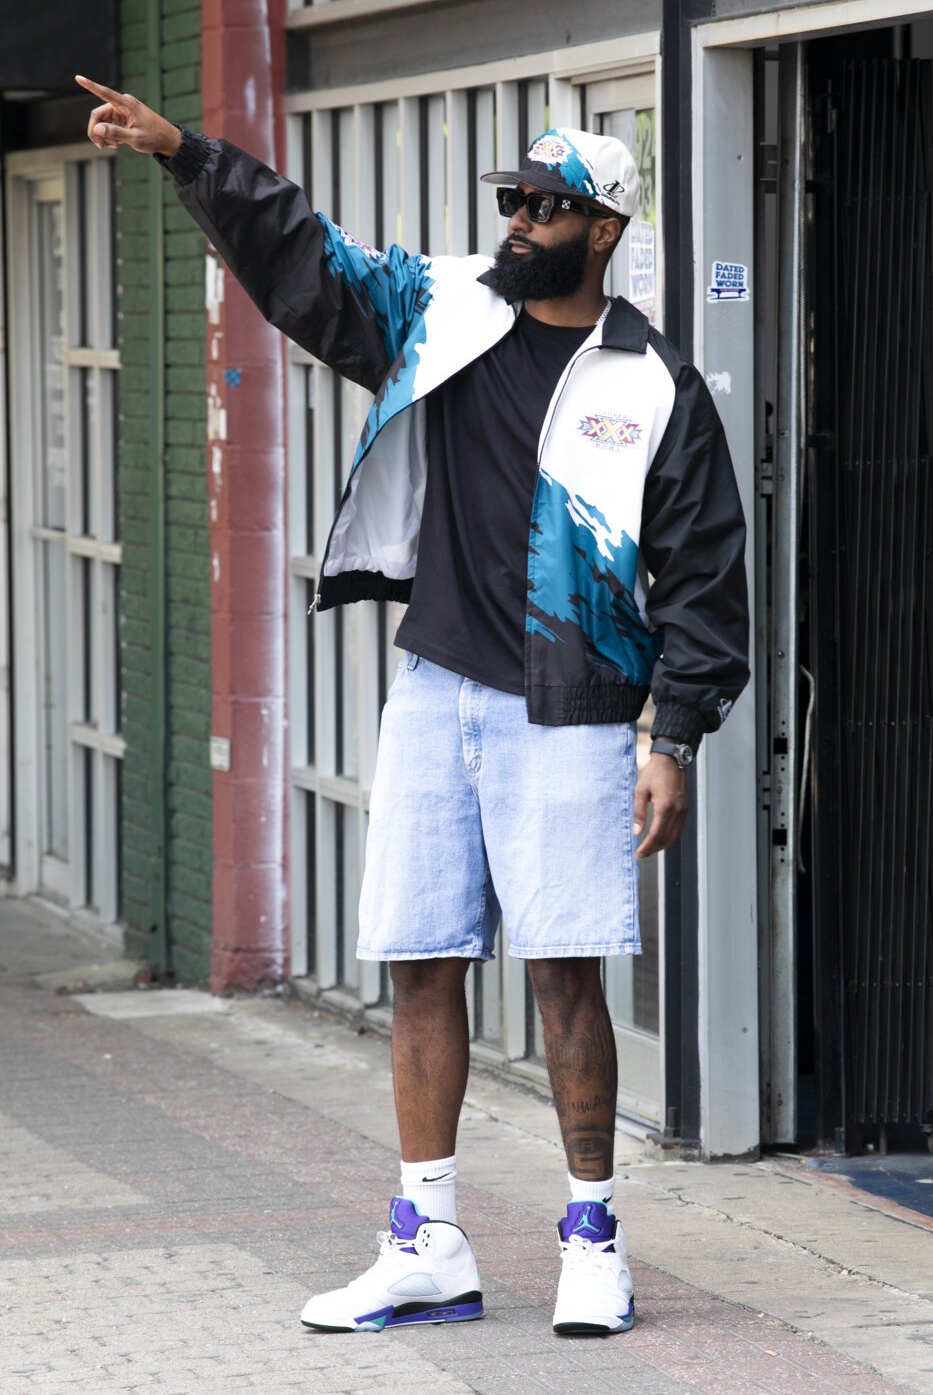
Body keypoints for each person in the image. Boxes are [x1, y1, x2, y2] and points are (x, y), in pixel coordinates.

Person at [77, 75, 750, 1337]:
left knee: (564, 980)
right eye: (513, 197)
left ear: (602, 228)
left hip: (577, 704)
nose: (518, 218)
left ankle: (592, 1236)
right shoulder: (443, 311)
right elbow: (305, 261)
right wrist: (188, 155)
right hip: (436, 688)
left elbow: (706, 572)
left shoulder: (655, 383)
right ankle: (427, 1238)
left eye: (546, 204)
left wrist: (677, 731)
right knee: (419, 959)